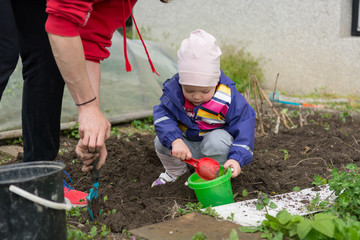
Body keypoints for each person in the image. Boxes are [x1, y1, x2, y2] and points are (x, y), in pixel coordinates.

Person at [151, 29, 256, 187]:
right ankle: (176, 172)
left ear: (215, 82)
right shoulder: (174, 93)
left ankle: (215, 175)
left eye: (205, 91)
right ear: (181, 83)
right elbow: (162, 116)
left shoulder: (227, 97)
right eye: (189, 91)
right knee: (161, 141)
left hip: (214, 148)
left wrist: (237, 158)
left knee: (217, 141)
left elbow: (245, 125)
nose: (197, 97)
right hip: (186, 146)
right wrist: (175, 140)